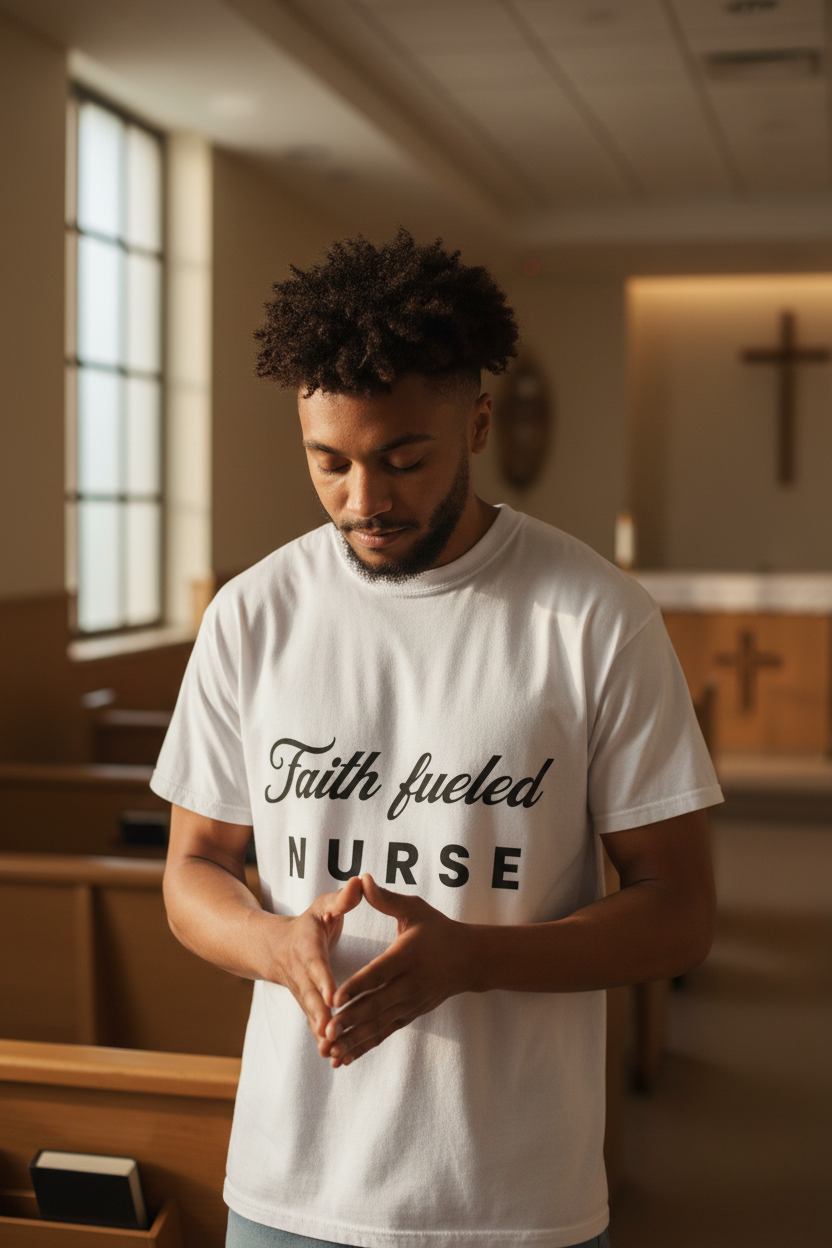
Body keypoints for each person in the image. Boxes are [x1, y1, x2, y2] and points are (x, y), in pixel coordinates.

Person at [155, 229, 721, 1248]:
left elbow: (678, 913)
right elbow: (194, 871)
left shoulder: (592, 615)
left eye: (401, 459)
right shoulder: (254, 614)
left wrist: (476, 959)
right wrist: (274, 944)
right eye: (327, 463)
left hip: (510, 1196)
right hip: (289, 1183)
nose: (363, 502)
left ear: (476, 425)